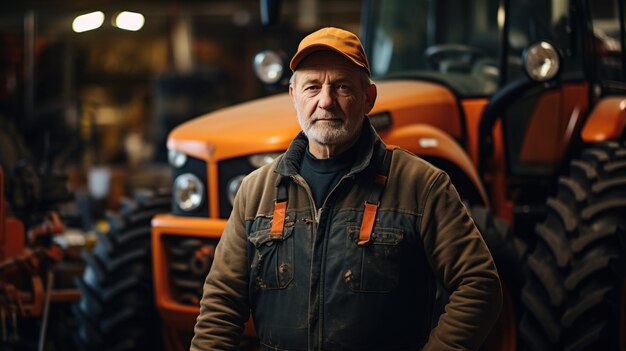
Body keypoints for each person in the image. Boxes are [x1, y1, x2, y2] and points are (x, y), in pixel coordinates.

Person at [191, 27, 502, 351]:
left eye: (341, 87)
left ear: (368, 98)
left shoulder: (419, 185)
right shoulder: (256, 192)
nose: (326, 101)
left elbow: (478, 284)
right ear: (294, 96)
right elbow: (221, 307)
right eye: (312, 87)